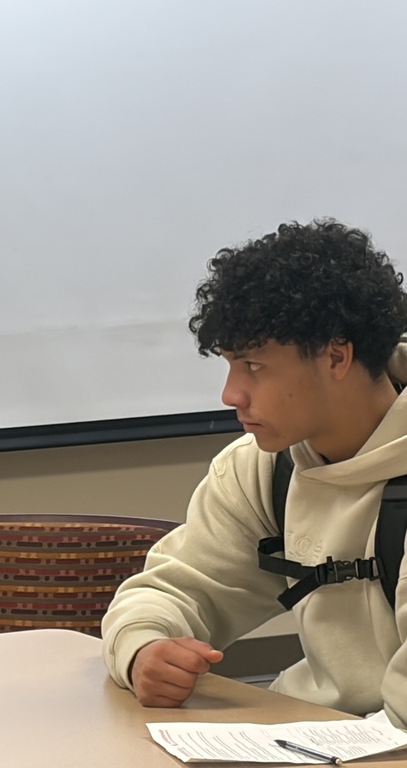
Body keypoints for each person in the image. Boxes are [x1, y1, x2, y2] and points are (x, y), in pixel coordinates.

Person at [101, 219, 407, 726]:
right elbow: (174, 589)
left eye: (254, 366)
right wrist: (144, 650)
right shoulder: (262, 468)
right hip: (312, 733)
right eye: (228, 365)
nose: (230, 395)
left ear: (337, 355)